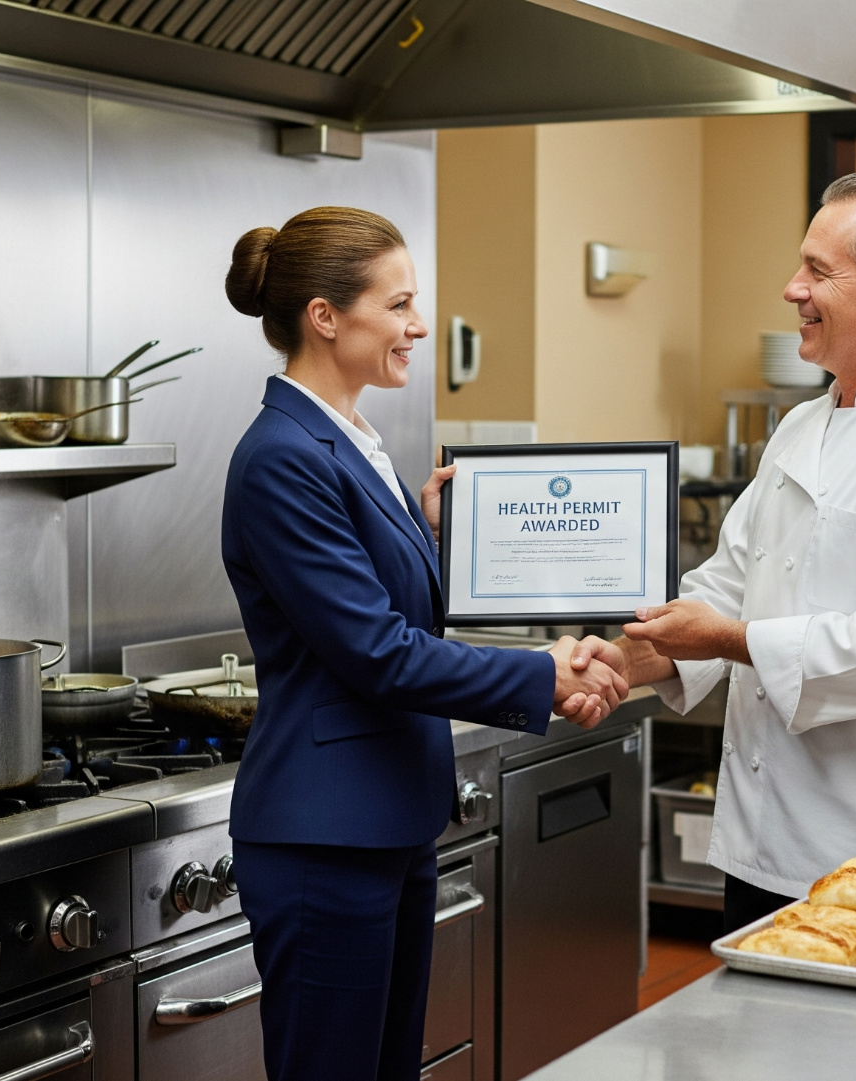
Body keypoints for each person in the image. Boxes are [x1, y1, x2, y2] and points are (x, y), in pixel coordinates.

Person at [218, 206, 628, 1081]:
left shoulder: (353, 441)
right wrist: (542, 673)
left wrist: (435, 538)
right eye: (398, 304)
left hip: (384, 822)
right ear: (326, 316)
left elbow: (386, 610)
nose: (418, 325)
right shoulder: (284, 455)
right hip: (324, 836)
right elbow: (378, 651)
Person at [580, 174, 856, 932]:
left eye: (819, 271)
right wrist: (620, 664)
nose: (793, 289)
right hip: (761, 841)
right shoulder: (799, 427)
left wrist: (726, 639)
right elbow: (727, 587)